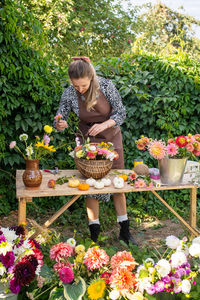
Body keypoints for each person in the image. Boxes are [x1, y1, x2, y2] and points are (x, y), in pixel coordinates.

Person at [55, 56, 137, 245]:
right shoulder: (69, 93)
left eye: (83, 85)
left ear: (91, 77)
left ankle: (125, 231)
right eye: (76, 86)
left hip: (111, 138)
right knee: (90, 187)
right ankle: (95, 235)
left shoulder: (106, 86)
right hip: (87, 142)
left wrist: (105, 124)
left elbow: (121, 112)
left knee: (118, 184)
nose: (80, 90)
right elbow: (60, 115)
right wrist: (60, 123)